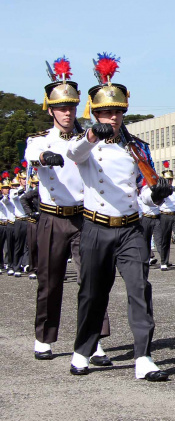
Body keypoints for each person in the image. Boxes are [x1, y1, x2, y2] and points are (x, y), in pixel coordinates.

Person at [67, 54, 170, 381]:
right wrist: (91, 136)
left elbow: (141, 190)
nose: (112, 117)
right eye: (105, 112)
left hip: (130, 229)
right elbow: (73, 154)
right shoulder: (86, 145)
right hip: (96, 227)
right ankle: (83, 350)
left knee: (140, 288)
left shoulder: (137, 147)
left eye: (117, 111)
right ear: (94, 113)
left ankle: (143, 356)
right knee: (92, 293)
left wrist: (155, 195)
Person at [25, 60, 108, 359]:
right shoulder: (40, 140)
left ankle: (93, 339)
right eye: (61, 108)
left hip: (84, 217)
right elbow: (33, 156)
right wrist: (45, 158)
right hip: (52, 217)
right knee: (50, 280)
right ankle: (44, 337)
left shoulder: (88, 139)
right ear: (50, 110)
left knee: (92, 280)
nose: (67, 113)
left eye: (71, 107)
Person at [154, 163, 175, 270]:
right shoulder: (159, 190)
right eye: (167, 179)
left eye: (171, 179)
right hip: (163, 215)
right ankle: (164, 262)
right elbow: (156, 203)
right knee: (165, 239)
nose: (169, 181)